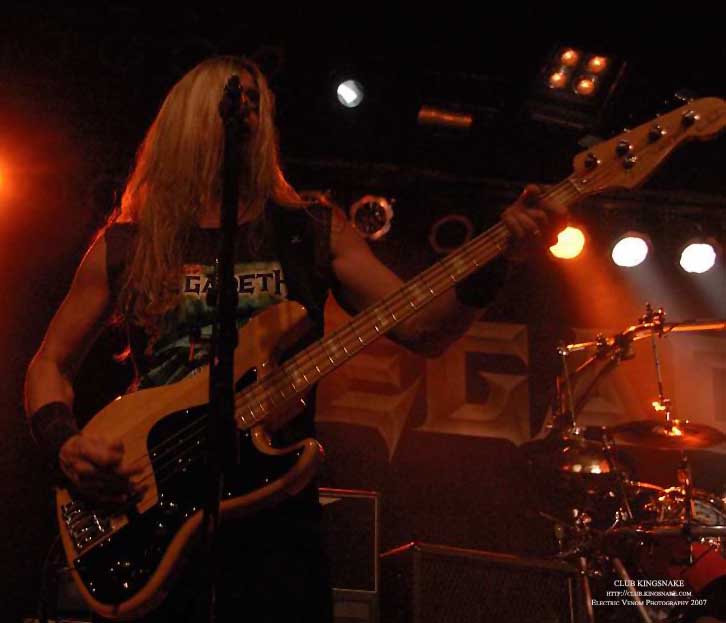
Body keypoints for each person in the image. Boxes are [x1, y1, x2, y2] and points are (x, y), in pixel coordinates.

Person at [24, 55, 556, 622]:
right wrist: (65, 444)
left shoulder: (309, 230)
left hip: (275, 523)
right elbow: (48, 364)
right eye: (233, 99)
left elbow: (423, 328)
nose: (247, 111)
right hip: (150, 496)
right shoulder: (127, 244)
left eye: (257, 101)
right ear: (186, 119)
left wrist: (498, 262)